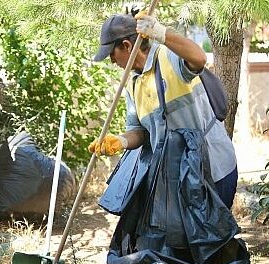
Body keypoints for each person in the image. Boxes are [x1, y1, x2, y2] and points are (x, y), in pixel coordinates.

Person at [89, 11, 238, 209]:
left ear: (126, 46)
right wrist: (120, 141)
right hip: (179, 178)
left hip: (213, 168)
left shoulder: (168, 57)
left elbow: (199, 59)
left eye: (111, 55)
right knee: (186, 240)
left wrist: (160, 32)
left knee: (215, 237)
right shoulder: (132, 84)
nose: (112, 62)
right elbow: (139, 132)